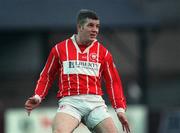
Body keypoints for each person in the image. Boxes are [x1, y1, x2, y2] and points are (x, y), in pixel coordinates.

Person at [25, 9, 130, 133]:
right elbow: (47, 75)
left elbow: (113, 82)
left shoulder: (103, 53)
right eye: (90, 25)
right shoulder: (60, 49)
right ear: (80, 27)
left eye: (97, 26)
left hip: (95, 104)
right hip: (70, 103)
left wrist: (120, 109)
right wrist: (38, 96)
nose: (95, 30)